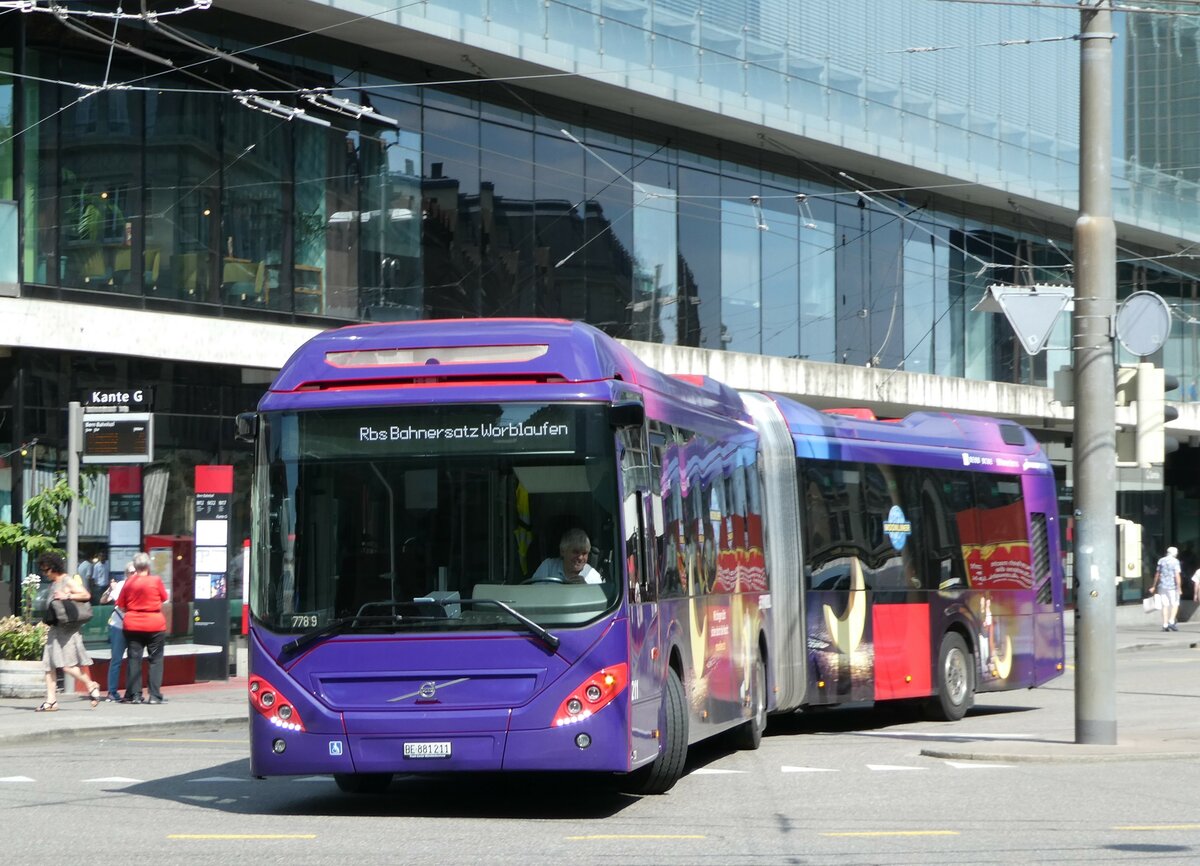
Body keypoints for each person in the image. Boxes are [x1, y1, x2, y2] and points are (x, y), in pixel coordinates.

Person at [34, 552, 101, 711]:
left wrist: (67, 595)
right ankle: (51, 701)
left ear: (54, 568)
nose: (45, 573)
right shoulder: (54, 582)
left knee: (67, 666)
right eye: (43, 570)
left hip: (68, 631)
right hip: (55, 629)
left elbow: (86, 595)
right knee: (49, 665)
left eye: (47, 570)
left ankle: (90, 685)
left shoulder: (66, 580)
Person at [118, 551, 169, 704]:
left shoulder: (129, 582)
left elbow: (121, 606)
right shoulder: (156, 580)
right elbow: (164, 598)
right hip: (155, 624)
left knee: (134, 659)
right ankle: (154, 696)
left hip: (133, 624)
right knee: (155, 660)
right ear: (148, 565)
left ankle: (135, 695)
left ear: (135, 565)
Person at [99, 562, 134, 702]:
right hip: (118, 626)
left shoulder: (137, 585)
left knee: (133, 660)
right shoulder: (120, 585)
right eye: (131, 572)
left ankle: (131, 692)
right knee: (116, 659)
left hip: (133, 626)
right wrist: (110, 590)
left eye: (136, 571)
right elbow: (103, 600)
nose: (134, 574)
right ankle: (112, 692)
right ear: (127, 574)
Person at [531, 528, 602, 584]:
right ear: (562, 551)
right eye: (575, 552)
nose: (580, 558)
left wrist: (585, 589)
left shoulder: (592, 576)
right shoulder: (548, 567)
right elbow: (533, 595)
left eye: (584, 553)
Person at [1150, 545, 1183, 632]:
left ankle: (1165, 625)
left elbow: (1157, 574)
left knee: (1165, 605)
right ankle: (1171, 621)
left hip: (1162, 586)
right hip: (1172, 587)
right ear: (1175, 553)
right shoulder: (1175, 561)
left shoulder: (1161, 560)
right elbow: (1177, 575)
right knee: (1175, 604)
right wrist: (1179, 588)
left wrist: (1154, 586)